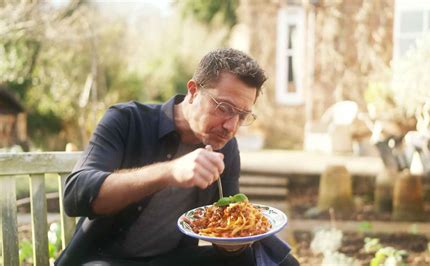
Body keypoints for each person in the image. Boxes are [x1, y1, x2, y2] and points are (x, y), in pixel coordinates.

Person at [55, 48, 299, 266]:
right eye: (223, 108)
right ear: (193, 91)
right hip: (102, 259)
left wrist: (234, 244)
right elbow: (76, 195)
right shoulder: (126, 120)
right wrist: (170, 172)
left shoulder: (226, 147)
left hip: (172, 261)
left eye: (243, 115)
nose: (231, 126)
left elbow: (227, 221)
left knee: (279, 262)